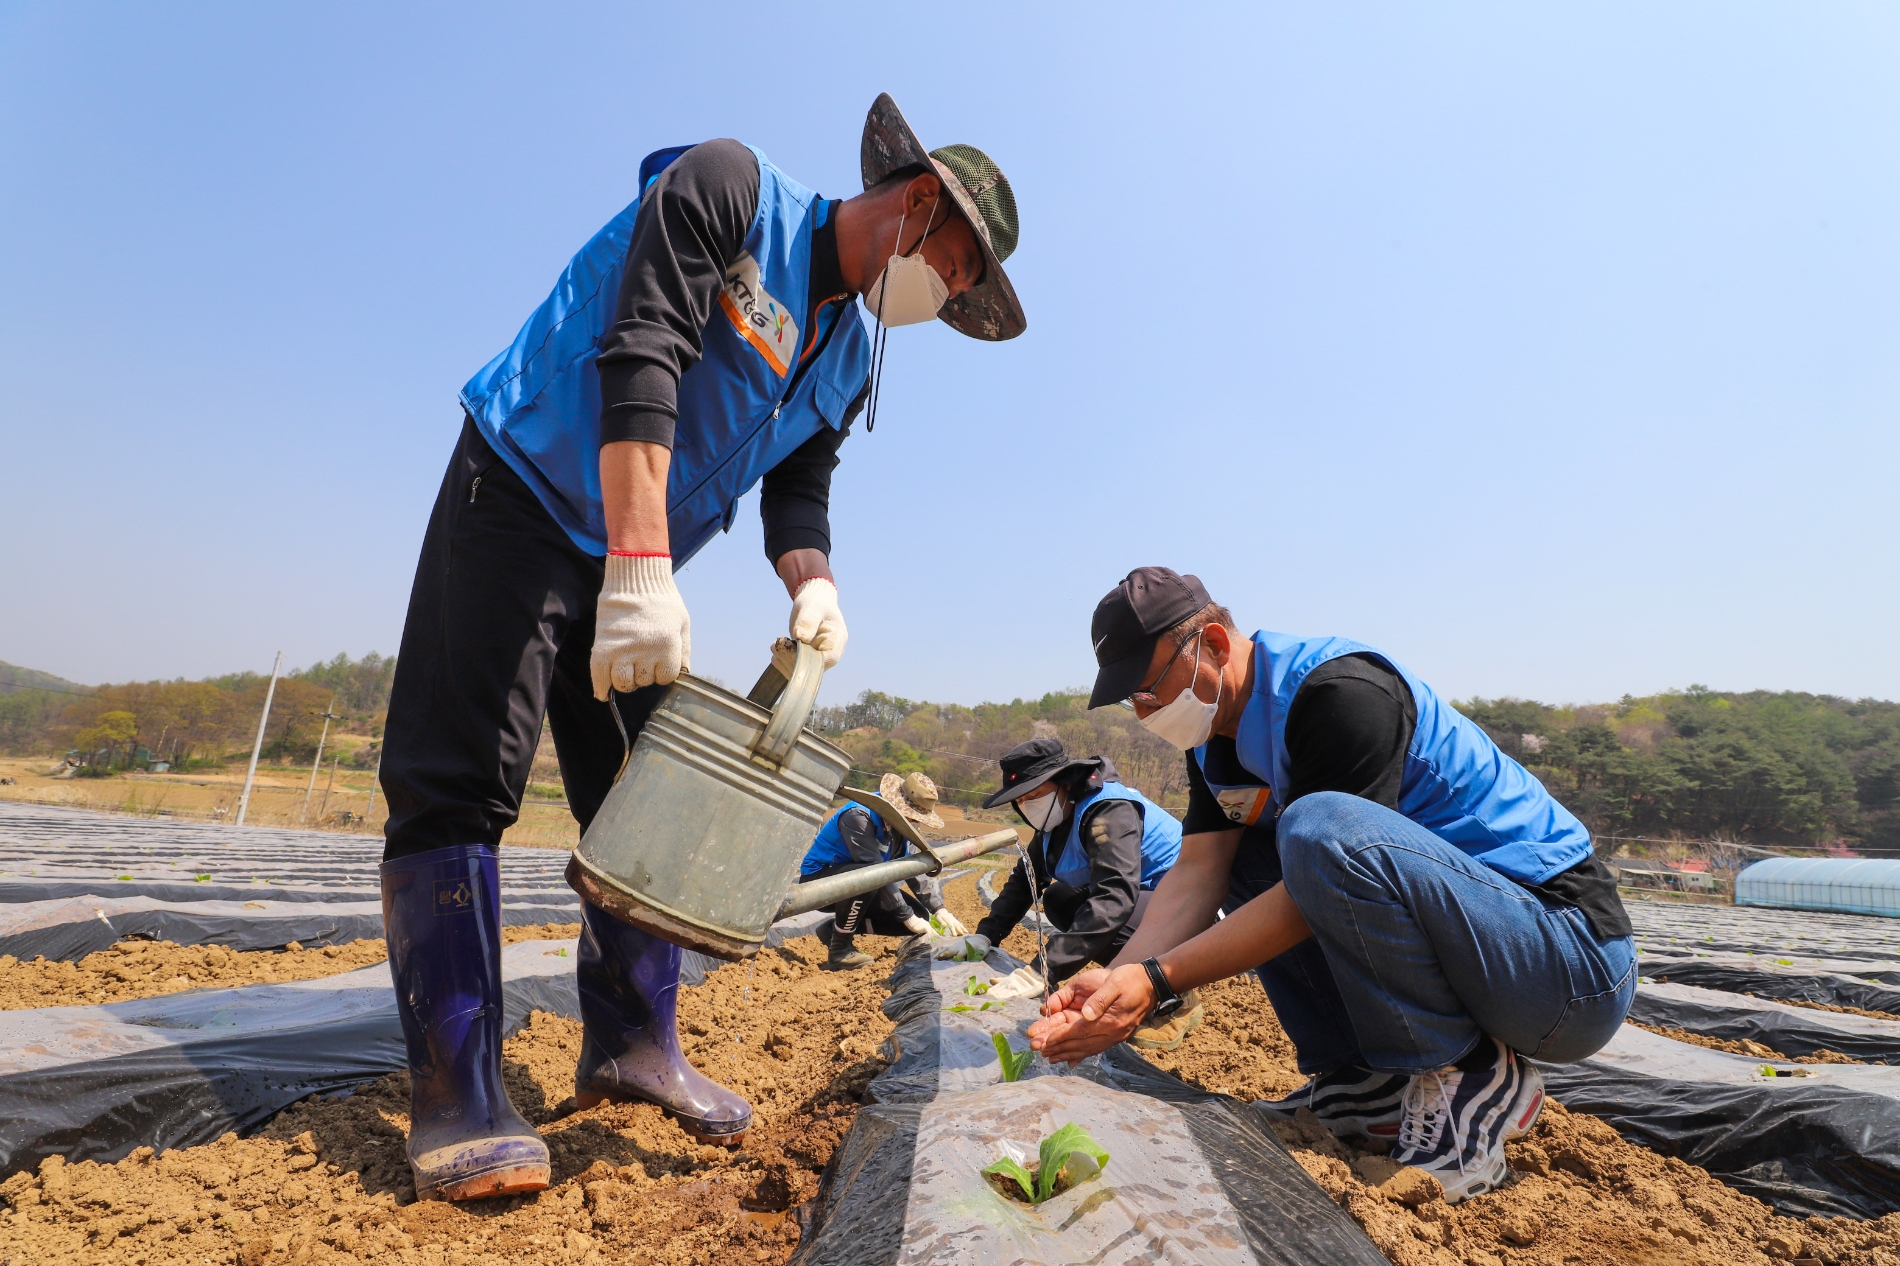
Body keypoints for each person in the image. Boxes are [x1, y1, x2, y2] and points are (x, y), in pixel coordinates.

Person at [374, 95, 1025, 1202]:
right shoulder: (731, 189)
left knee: (649, 807)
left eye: (962, 295)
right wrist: (636, 562)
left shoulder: (848, 357)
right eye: (952, 270)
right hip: (527, 490)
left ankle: (633, 1047)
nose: (945, 299)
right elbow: (644, 353)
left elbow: (798, 498)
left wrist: (815, 587)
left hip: (634, 553)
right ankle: (455, 1089)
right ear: (915, 203)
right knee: (458, 778)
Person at [1028, 568, 1635, 1204]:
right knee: (1256, 848)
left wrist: (1156, 982)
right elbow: (1199, 873)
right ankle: (1366, 1082)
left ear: (1211, 641)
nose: (1146, 711)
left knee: (1315, 828)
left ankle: (1469, 1076)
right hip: (1482, 955)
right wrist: (1115, 980)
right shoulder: (1216, 741)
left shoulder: (1339, 693)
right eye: (1133, 700)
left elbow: (1320, 873)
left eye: (1149, 688)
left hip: (1566, 965)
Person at [937, 738, 1193, 1048]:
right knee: (1059, 900)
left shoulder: (1108, 812)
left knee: (1106, 914)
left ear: (1065, 785)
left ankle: (1171, 993)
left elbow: (1114, 897)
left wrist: (1043, 970)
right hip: (1143, 900)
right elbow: (1024, 881)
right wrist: (986, 936)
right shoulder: (1053, 824)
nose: (1029, 805)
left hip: (1189, 903)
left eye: (1036, 795)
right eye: (1022, 799)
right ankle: (1147, 980)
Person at [800, 772, 970, 970]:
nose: (916, 822)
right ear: (897, 806)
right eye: (912, 816)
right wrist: (906, 915)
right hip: (821, 881)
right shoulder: (858, 816)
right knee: (868, 879)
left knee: (919, 915)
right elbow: (874, 868)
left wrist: (939, 909)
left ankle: (833, 931)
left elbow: (914, 867)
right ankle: (840, 950)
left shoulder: (901, 826)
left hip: (865, 881)